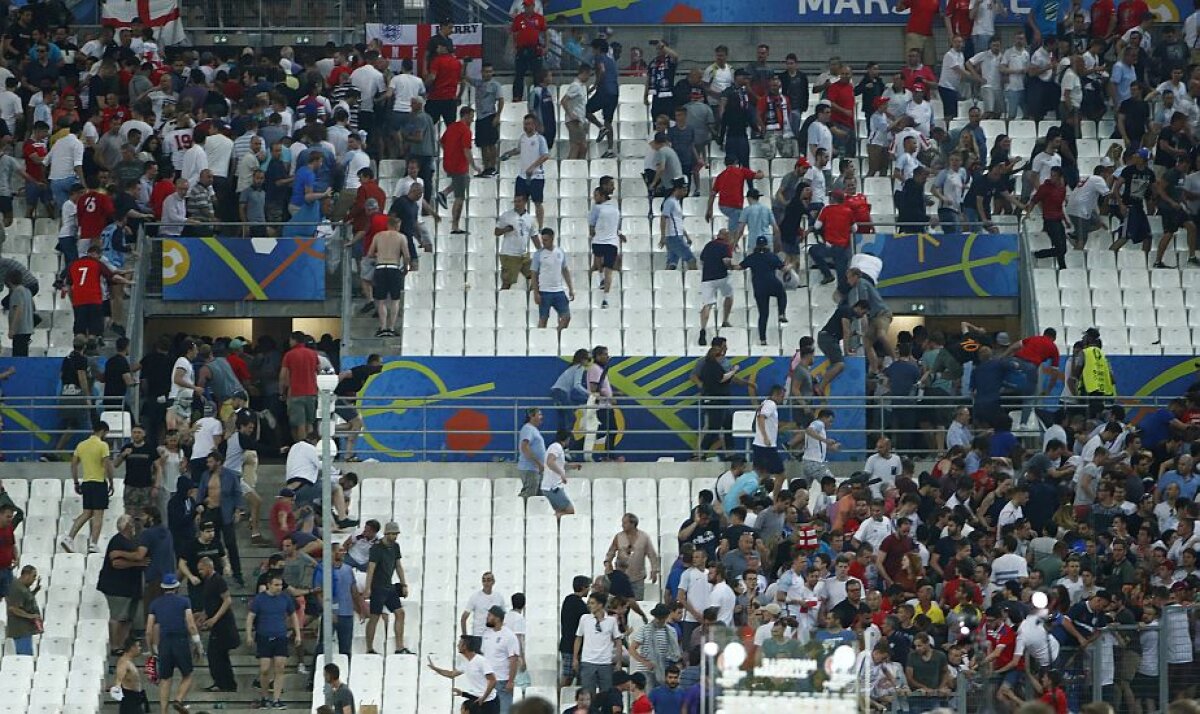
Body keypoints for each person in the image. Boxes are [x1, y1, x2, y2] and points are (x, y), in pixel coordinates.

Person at [146, 573, 202, 714]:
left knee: (165, 679)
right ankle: (178, 700)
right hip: (180, 640)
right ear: (177, 586)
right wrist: (198, 644)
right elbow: (191, 625)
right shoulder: (184, 601)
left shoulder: (155, 604)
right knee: (187, 675)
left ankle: (163, 712)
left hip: (164, 643)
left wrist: (152, 649)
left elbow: (149, 630)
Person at [246, 572, 303, 710]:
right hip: (264, 636)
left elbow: (294, 616)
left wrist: (298, 634)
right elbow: (250, 617)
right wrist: (248, 634)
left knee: (280, 668)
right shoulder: (259, 599)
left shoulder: (285, 598)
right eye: (276, 585)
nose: (279, 587)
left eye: (281, 585)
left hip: (280, 636)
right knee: (264, 669)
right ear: (269, 585)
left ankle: (277, 699)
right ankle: (265, 697)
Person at [63, 421, 114, 554]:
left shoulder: (82, 445)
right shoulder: (103, 445)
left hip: (86, 482)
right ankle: (93, 544)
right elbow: (107, 465)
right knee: (98, 515)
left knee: (87, 512)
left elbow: (73, 464)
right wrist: (111, 482)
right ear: (103, 431)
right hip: (98, 482)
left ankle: (69, 537)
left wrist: (75, 482)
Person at [365, 521, 412, 655]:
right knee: (374, 617)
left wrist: (404, 584)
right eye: (393, 534)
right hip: (378, 587)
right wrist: (368, 588)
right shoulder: (376, 548)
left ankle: (399, 647)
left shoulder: (395, 547)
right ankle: (369, 647)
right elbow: (371, 568)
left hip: (389, 586)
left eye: (396, 534)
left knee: (400, 613)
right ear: (386, 533)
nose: (395, 537)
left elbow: (398, 565)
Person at [195, 556, 239, 694]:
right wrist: (203, 616)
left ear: (209, 567)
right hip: (216, 624)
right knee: (220, 655)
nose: (200, 572)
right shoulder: (208, 582)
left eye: (201, 569)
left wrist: (214, 619)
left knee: (215, 655)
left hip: (223, 625)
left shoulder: (218, 580)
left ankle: (223, 683)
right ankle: (228, 684)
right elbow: (211, 604)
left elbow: (227, 600)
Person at [427, 635, 499, 713]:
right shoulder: (465, 662)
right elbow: (451, 674)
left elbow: (493, 680)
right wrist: (435, 668)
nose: (457, 645)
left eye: (460, 643)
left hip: (489, 701)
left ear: (465, 646)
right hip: (476, 699)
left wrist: (483, 698)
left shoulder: (481, 661)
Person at [573, 591, 623, 696]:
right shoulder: (584, 619)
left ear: (600, 605)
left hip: (605, 662)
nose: (589, 605)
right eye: (589, 603)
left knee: (606, 694)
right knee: (588, 694)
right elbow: (578, 638)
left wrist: (618, 661)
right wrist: (575, 658)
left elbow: (618, 641)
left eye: (592, 603)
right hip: (588, 661)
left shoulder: (611, 621)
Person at [740, 236, 787, 345]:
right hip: (772, 283)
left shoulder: (752, 257)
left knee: (763, 314)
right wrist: (790, 265)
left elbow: (739, 267)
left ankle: (763, 340)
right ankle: (781, 314)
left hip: (759, 287)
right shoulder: (772, 256)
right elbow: (783, 269)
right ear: (766, 245)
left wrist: (728, 265)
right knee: (781, 294)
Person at [697, 229, 735, 346]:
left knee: (707, 304)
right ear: (727, 237)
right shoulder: (725, 246)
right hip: (721, 277)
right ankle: (725, 320)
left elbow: (702, 260)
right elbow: (726, 262)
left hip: (707, 278)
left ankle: (703, 329)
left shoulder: (708, 245)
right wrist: (732, 267)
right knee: (729, 295)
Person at [542, 428, 578, 520]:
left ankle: (556, 529)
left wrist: (571, 466)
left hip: (550, 487)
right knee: (570, 511)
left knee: (560, 511)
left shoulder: (555, 447)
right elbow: (550, 461)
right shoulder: (557, 447)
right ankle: (549, 521)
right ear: (567, 439)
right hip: (553, 487)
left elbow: (558, 464)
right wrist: (562, 474)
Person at [5, 565, 39, 655]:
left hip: (25, 629)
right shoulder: (16, 587)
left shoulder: (22, 587)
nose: (34, 580)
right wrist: (30, 616)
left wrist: (35, 591)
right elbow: (13, 608)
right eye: (33, 576)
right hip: (20, 630)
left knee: (27, 656)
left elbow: (24, 601)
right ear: (26, 575)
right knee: (25, 657)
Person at [111, 639, 149, 714]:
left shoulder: (129, 661)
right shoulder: (124, 662)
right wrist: (117, 687)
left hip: (136, 699)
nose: (140, 648)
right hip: (129, 701)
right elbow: (119, 679)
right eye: (138, 646)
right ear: (132, 648)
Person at [517, 408, 546, 499]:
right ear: (531, 416)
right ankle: (519, 510)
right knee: (529, 495)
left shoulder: (533, 429)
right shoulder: (528, 429)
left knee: (536, 496)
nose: (542, 417)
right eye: (539, 414)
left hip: (535, 469)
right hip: (530, 469)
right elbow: (524, 447)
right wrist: (538, 463)